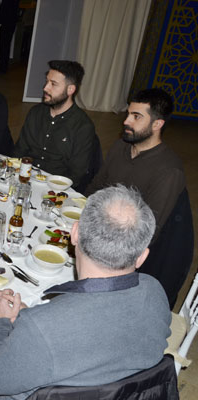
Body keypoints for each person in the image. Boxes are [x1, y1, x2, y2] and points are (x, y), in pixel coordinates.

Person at [0, 185, 171, 399]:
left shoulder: (42, 327)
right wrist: (41, 321)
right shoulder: (155, 291)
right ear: (142, 256)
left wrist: (2, 323)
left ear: (74, 233)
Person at [86, 88, 191, 308]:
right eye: (128, 114)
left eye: (136, 117)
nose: (126, 121)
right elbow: (95, 189)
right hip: (102, 231)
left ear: (157, 124)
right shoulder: (121, 147)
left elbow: (147, 234)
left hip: (128, 255)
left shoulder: (168, 171)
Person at [12, 60, 100, 191]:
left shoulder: (83, 126)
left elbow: (76, 174)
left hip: (55, 188)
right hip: (25, 178)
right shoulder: (35, 113)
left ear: (70, 89)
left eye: (53, 84)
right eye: (47, 81)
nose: (45, 88)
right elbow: (19, 151)